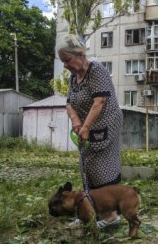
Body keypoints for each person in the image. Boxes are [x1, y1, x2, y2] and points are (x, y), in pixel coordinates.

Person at [57, 34, 123, 228]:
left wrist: (85, 126)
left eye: (67, 60)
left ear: (79, 55)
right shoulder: (74, 77)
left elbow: (100, 101)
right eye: (62, 61)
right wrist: (76, 120)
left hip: (106, 124)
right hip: (87, 126)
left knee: (104, 168)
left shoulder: (96, 70)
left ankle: (111, 216)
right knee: (86, 167)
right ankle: (89, 212)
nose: (65, 65)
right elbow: (69, 103)